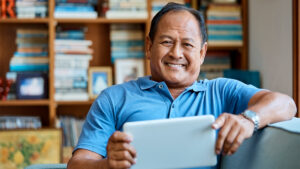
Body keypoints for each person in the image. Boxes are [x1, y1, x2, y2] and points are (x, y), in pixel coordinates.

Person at [67, 3, 297, 169]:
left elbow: (286, 104)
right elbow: (77, 164)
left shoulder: (222, 91)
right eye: (166, 42)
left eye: (187, 44)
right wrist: (107, 165)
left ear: (202, 52)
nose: (176, 53)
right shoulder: (113, 98)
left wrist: (249, 120)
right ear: (149, 47)